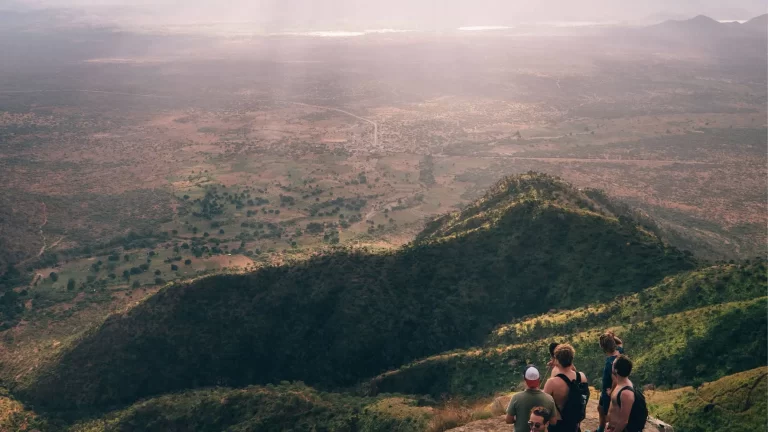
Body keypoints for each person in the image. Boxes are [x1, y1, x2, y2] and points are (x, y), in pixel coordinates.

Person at [543, 343, 588, 432]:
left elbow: (544, 406)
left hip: (558, 425)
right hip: (575, 424)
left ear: (556, 360)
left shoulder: (551, 383)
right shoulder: (582, 377)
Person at [506, 365, 557, 432]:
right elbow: (553, 422)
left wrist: (519, 419)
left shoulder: (516, 398)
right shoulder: (549, 398)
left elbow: (508, 420)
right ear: (539, 379)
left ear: (524, 379)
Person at [607, 355, 647, 432]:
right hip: (612, 427)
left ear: (616, 370)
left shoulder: (626, 393)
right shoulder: (620, 384)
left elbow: (623, 421)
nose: (611, 365)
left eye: (613, 364)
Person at [597, 331, 624, 432]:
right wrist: (611, 337)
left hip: (608, 391)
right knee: (600, 408)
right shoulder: (619, 352)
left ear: (603, 348)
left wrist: (610, 392)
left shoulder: (610, 363)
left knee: (607, 416)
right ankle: (600, 429)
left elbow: (615, 381)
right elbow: (620, 342)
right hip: (607, 390)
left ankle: (604, 430)